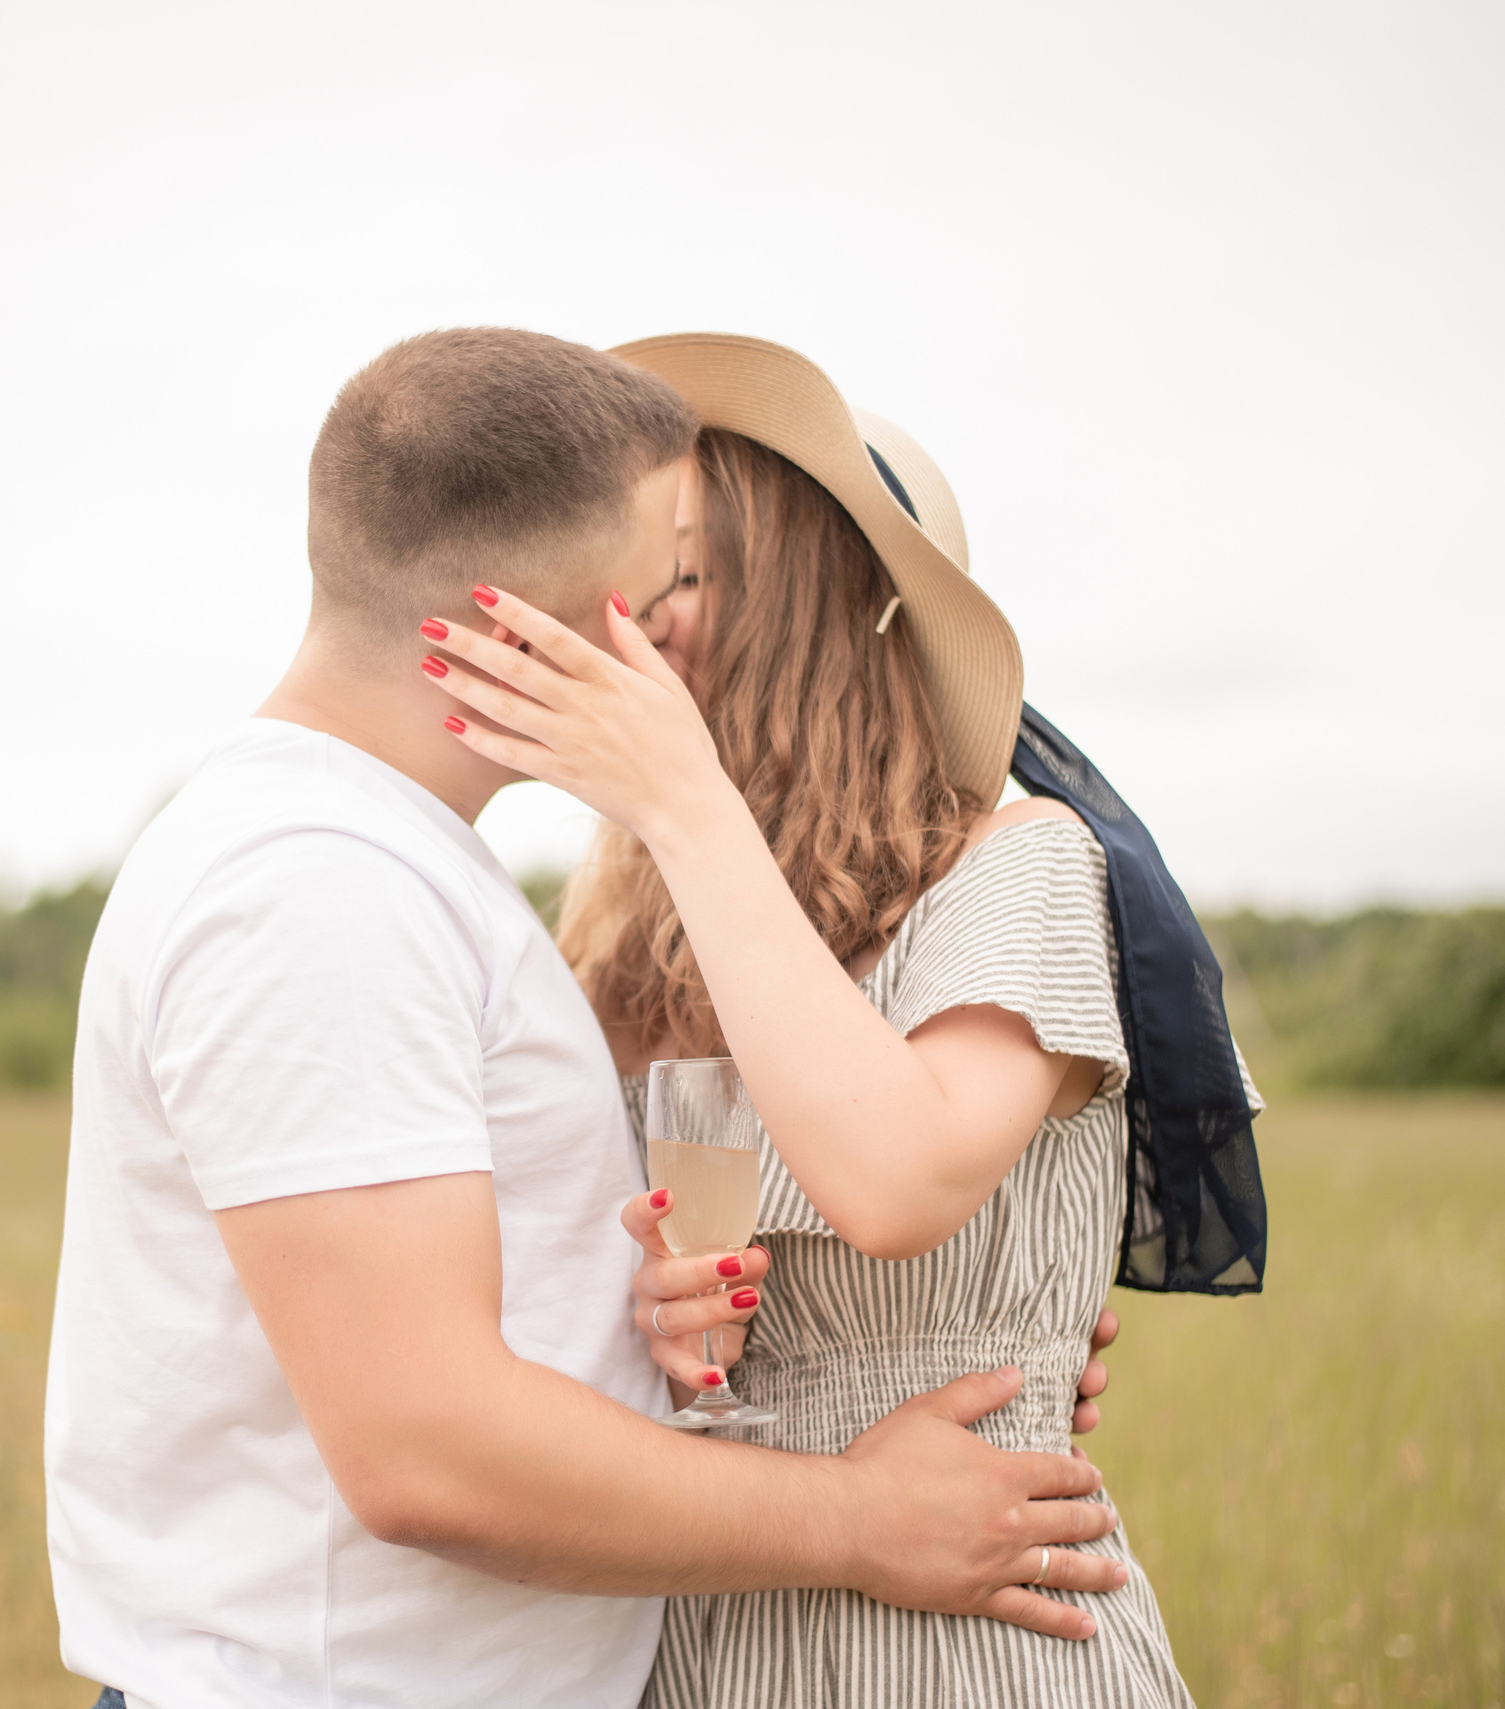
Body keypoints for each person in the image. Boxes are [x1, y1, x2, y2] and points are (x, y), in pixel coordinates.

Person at [44, 329, 1132, 1709]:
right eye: (659, 567)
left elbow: (548, 1289)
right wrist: (855, 1509)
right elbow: (430, 1444)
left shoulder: (411, 871)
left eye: (692, 571)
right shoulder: (325, 886)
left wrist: (959, 1325)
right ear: (522, 620)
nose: (658, 615)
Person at [415, 333, 1264, 1706]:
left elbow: (891, 1176)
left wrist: (687, 803)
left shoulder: (1024, 863)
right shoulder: (636, 921)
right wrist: (651, 1312)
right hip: (705, 1624)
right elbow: (510, 1277)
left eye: (684, 568)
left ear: (815, 595)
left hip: (966, 1628)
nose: (637, 612)